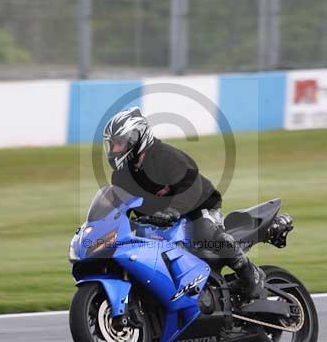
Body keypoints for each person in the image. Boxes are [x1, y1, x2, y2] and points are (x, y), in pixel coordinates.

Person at [103, 106, 265, 300]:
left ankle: (249, 273)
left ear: (135, 138)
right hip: (159, 220)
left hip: (198, 206)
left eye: (118, 144)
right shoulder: (121, 176)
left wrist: (174, 211)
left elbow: (192, 186)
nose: (113, 150)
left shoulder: (165, 157)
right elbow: (120, 206)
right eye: (111, 145)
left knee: (205, 234)